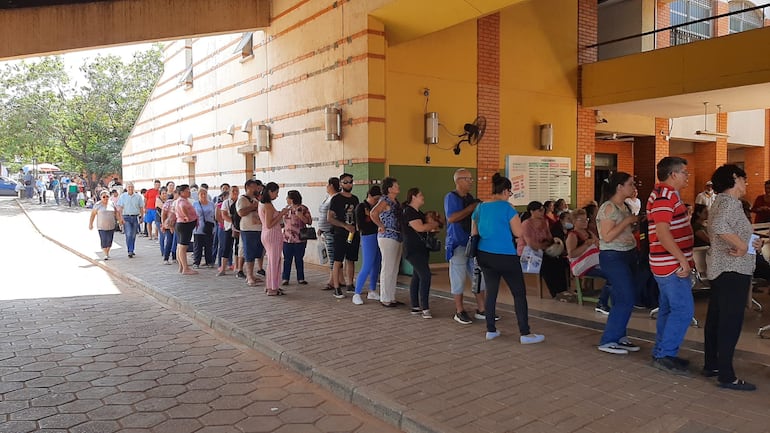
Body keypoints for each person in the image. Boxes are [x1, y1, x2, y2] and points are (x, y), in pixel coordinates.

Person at [704, 164, 760, 391]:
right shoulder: (729, 202)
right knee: (730, 323)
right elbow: (718, 226)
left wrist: (752, 243)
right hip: (732, 270)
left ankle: (713, 365)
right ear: (735, 178)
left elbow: (730, 229)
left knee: (717, 319)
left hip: (723, 269)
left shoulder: (722, 202)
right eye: (744, 179)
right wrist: (741, 246)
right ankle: (727, 376)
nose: (746, 183)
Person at [472, 173, 544, 344]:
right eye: (510, 192)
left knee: (491, 291)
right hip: (505, 256)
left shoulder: (480, 207)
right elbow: (518, 233)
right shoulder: (508, 208)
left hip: (484, 254)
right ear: (505, 191)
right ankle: (525, 333)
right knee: (519, 293)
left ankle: (491, 330)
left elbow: (474, 232)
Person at [647, 156, 694, 374]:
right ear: (673, 174)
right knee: (683, 310)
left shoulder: (666, 195)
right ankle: (666, 354)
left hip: (665, 263)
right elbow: (663, 233)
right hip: (670, 264)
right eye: (685, 172)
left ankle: (662, 351)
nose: (687, 176)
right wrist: (682, 260)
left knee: (668, 309)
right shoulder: (665, 196)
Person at [595, 172, 640, 354]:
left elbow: (623, 230)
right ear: (619, 187)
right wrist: (627, 222)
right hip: (612, 256)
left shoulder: (625, 206)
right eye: (630, 184)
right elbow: (607, 236)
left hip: (628, 253)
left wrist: (633, 223)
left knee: (623, 298)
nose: (633, 187)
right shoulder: (608, 207)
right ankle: (608, 339)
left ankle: (619, 335)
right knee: (626, 297)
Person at [444, 169, 488, 325]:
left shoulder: (470, 198)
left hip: (473, 243)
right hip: (457, 244)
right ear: (459, 181)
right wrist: (471, 208)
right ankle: (459, 310)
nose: (471, 181)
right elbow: (452, 218)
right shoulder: (451, 197)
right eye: (468, 179)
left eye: (471, 179)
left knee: (477, 276)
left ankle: (482, 309)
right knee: (458, 278)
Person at [402, 187, 441, 319]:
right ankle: (425, 308)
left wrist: (434, 225)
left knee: (417, 276)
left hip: (422, 249)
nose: (423, 197)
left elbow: (429, 228)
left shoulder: (419, 213)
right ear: (413, 197)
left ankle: (415, 306)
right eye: (420, 195)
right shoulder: (409, 212)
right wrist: (434, 224)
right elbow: (421, 227)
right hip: (413, 250)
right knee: (425, 276)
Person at [519, 201, 569, 299]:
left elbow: (549, 237)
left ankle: (563, 290)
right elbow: (531, 244)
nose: (542, 212)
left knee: (560, 261)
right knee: (547, 264)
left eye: (543, 210)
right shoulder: (526, 224)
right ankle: (555, 292)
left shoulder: (544, 222)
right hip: (529, 252)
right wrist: (545, 246)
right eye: (540, 210)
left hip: (544, 249)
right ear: (532, 211)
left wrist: (555, 244)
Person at [566, 208, 611, 314]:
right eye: (581, 220)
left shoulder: (589, 232)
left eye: (586, 219)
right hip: (582, 266)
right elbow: (571, 254)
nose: (585, 222)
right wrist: (586, 245)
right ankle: (602, 303)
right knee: (611, 275)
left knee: (615, 272)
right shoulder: (573, 235)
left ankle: (610, 299)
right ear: (574, 222)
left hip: (594, 263)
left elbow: (599, 244)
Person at [370, 177, 403, 308]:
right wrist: (381, 225)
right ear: (389, 188)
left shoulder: (395, 201)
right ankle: (385, 297)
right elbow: (374, 213)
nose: (398, 187)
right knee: (387, 267)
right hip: (388, 235)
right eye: (396, 185)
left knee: (394, 268)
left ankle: (391, 296)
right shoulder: (385, 200)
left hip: (397, 235)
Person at [327, 173, 360, 299]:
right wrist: (344, 226)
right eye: (345, 182)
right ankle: (336, 287)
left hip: (353, 234)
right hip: (340, 234)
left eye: (350, 181)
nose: (348, 184)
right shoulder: (336, 199)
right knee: (338, 260)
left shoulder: (355, 199)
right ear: (340, 183)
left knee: (351, 259)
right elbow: (330, 218)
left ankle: (350, 283)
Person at [352, 185, 382, 305]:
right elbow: (361, 226)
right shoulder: (361, 207)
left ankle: (372, 290)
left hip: (378, 236)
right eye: (375, 199)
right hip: (367, 237)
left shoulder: (378, 206)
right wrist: (370, 215)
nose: (377, 201)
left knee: (376, 264)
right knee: (367, 264)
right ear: (369, 196)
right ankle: (357, 293)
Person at [259, 182, 290, 296]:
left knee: (273, 261)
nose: (277, 195)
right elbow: (269, 224)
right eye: (276, 193)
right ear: (270, 192)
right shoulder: (267, 205)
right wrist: (282, 213)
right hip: (272, 234)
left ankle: (272, 285)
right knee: (274, 262)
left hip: (267, 234)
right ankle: (272, 288)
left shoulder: (262, 204)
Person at [281, 190, 312, 285]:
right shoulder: (286, 209)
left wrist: (300, 216)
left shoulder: (303, 208)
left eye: (288, 197)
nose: (286, 199)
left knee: (299, 258)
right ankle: (285, 278)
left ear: (292, 199)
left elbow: (309, 222)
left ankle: (301, 278)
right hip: (287, 239)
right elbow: (282, 223)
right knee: (287, 259)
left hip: (300, 238)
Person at [237, 179, 265, 287]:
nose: (257, 189)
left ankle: (252, 275)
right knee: (249, 254)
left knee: (256, 253)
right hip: (248, 230)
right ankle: (249, 276)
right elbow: (241, 212)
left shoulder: (257, 199)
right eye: (254, 187)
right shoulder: (242, 199)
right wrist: (253, 207)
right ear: (248, 187)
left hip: (259, 229)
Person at [317, 177, 340, 291]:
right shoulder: (327, 197)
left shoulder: (335, 199)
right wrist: (321, 228)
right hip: (325, 230)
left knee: (332, 256)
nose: (326, 186)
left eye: (327, 184)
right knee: (332, 254)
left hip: (332, 231)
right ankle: (340, 279)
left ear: (331, 185)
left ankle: (332, 280)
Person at [116, 182, 145, 258]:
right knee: (128, 234)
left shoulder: (138, 197)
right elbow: (120, 208)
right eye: (129, 187)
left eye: (131, 187)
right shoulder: (123, 196)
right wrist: (121, 218)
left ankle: (132, 249)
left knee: (133, 235)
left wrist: (142, 217)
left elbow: (141, 207)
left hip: (135, 217)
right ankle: (130, 250)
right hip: (126, 217)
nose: (130, 188)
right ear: (126, 188)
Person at [174, 184, 198, 275]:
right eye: (187, 190)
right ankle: (185, 268)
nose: (189, 192)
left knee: (180, 246)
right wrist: (186, 216)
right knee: (183, 247)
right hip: (184, 225)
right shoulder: (182, 201)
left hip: (182, 224)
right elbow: (182, 207)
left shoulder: (180, 200)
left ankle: (181, 267)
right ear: (182, 192)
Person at [217, 186, 239, 277]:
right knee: (226, 247)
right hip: (229, 227)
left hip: (239, 228)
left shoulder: (240, 201)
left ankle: (237, 267)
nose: (235, 192)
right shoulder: (226, 202)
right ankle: (223, 268)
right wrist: (234, 222)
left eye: (236, 191)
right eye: (233, 191)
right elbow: (224, 215)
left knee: (238, 248)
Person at [192, 188, 216, 269]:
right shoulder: (195, 204)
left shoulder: (211, 204)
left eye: (204, 194)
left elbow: (215, 214)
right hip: (198, 228)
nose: (203, 195)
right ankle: (196, 262)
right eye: (201, 194)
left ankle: (209, 261)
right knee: (197, 246)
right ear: (198, 195)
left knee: (208, 245)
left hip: (209, 227)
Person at [89, 191, 116, 260]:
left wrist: (120, 220)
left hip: (111, 225)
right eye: (104, 197)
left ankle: (108, 252)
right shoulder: (97, 205)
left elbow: (116, 213)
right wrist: (91, 224)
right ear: (101, 197)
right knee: (104, 240)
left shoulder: (112, 204)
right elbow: (93, 215)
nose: (105, 198)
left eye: (107, 196)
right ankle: (106, 254)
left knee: (109, 240)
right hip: (101, 226)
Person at [160, 188, 178, 264]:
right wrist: (164, 224)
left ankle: (174, 257)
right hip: (168, 225)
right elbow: (163, 214)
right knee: (169, 241)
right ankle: (166, 258)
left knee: (176, 242)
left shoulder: (180, 202)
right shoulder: (169, 202)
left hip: (177, 225)